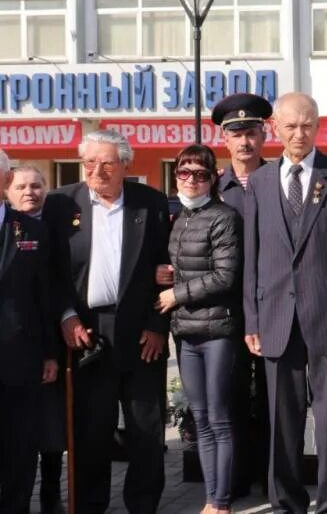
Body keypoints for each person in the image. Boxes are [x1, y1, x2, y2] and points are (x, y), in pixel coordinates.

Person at [243, 91, 327, 514]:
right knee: (282, 421)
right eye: (290, 126)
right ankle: (286, 502)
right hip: (276, 318)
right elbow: (252, 256)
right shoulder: (261, 182)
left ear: (317, 126)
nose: (299, 133)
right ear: (274, 129)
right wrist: (252, 319)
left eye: (306, 125)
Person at [43, 130, 171, 514]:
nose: (97, 170)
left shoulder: (150, 203)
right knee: (90, 430)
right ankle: (89, 504)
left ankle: (143, 504)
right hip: (86, 334)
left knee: (146, 429)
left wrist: (156, 325)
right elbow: (50, 273)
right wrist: (66, 317)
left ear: (125, 165)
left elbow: (164, 266)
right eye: (89, 163)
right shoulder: (60, 204)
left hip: (140, 332)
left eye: (107, 163)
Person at [155, 145, 242, 514]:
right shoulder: (176, 218)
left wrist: (176, 292)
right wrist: (160, 275)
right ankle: (211, 496)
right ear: (175, 176)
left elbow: (225, 275)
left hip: (218, 330)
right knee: (201, 418)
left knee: (220, 419)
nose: (192, 180)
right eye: (184, 173)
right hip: (186, 333)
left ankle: (220, 502)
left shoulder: (223, 216)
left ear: (214, 177)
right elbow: (171, 267)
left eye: (200, 174)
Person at [212, 92, 273, 496]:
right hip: (227, 308)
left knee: (273, 398)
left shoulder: (281, 183)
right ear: (224, 139)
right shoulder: (214, 190)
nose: (244, 142)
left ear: (263, 134)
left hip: (272, 306)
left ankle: (272, 478)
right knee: (230, 395)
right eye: (236, 135)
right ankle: (233, 479)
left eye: (251, 132)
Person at [0, 151, 58, 513]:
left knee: (20, 447)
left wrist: (50, 352)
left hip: (21, 357)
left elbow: (46, 295)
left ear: (5, 181)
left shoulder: (31, 230)